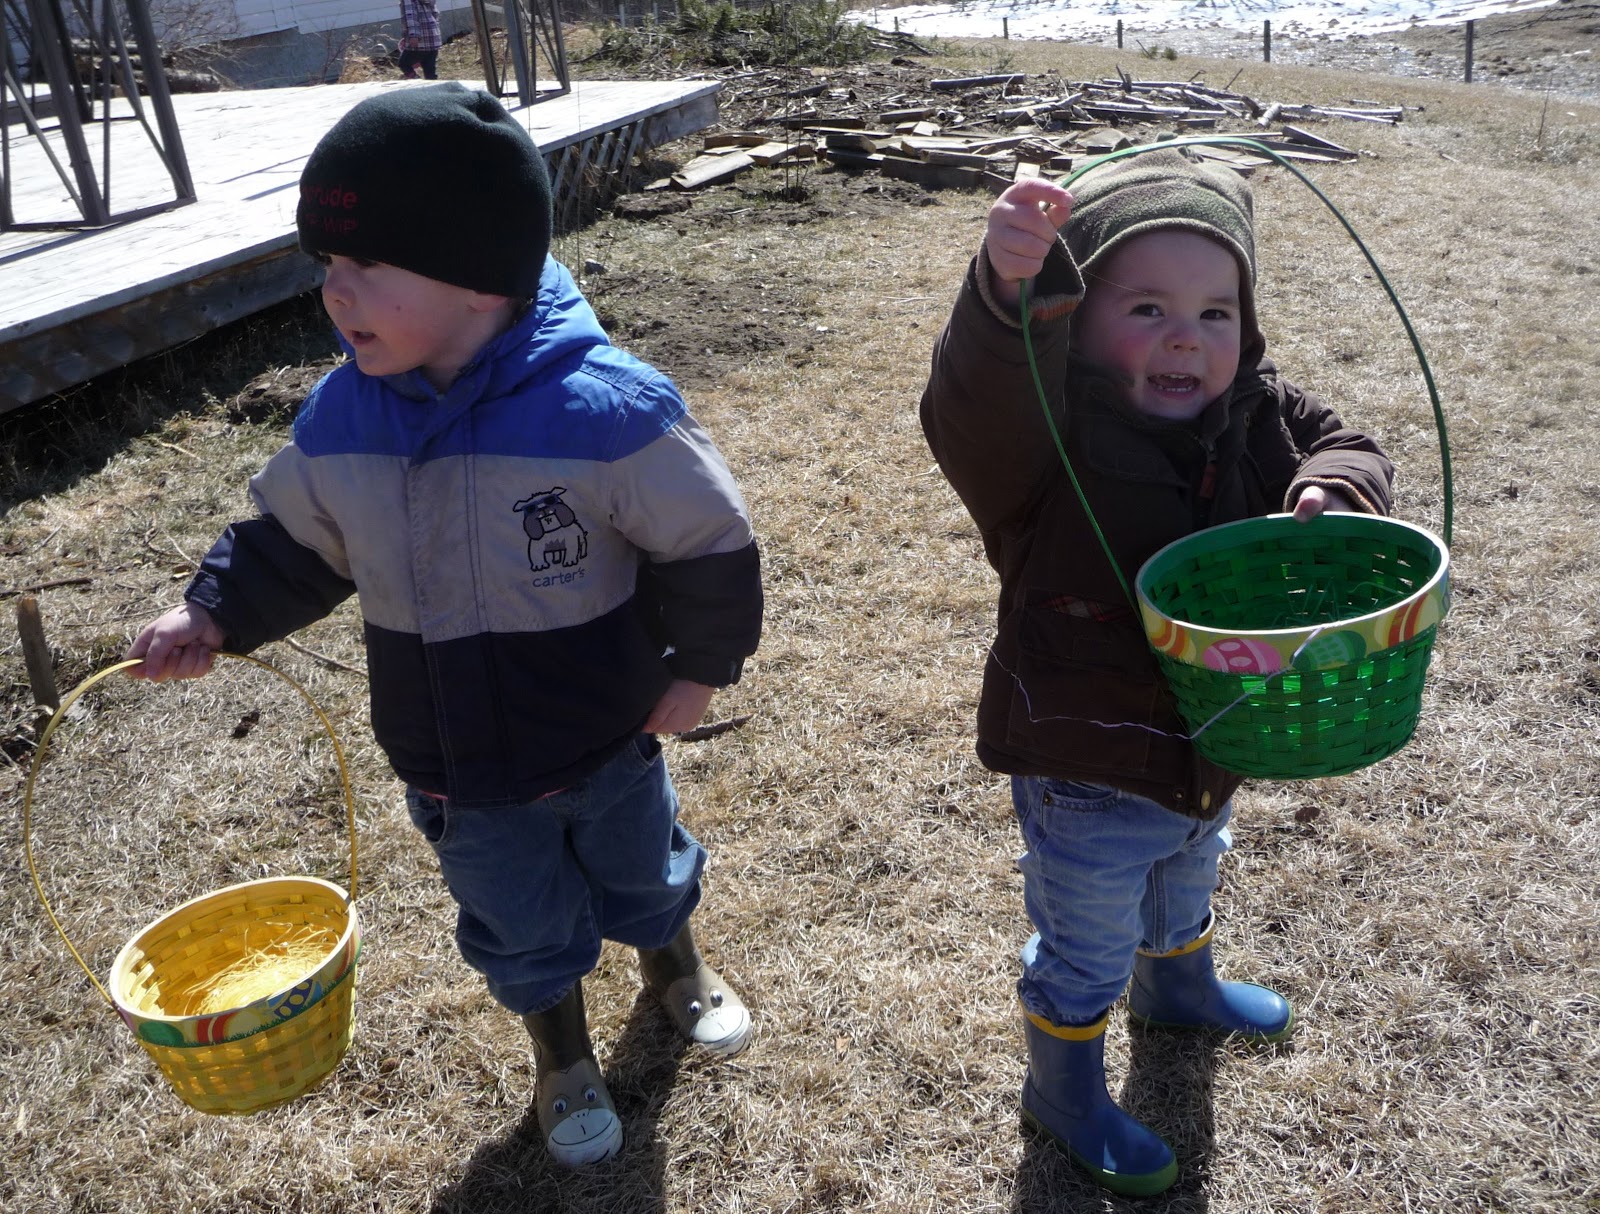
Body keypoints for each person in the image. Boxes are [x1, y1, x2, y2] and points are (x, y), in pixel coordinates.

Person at [126, 84, 762, 1170]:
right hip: (455, 761)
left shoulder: (607, 411)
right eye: (327, 264)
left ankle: (675, 963)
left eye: (366, 265)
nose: (334, 291)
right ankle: (562, 1057)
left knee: (643, 871)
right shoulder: (344, 415)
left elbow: (708, 542)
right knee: (519, 925)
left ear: (478, 280)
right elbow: (294, 540)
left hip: (607, 730)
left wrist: (698, 668)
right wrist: (214, 609)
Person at [919, 145, 1394, 1197]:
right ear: (1074, 318)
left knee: (1189, 866)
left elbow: (1345, 438)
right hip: (1087, 764)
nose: (1187, 336)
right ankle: (1062, 1087)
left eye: (1215, 312)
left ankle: (1177, 985)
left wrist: (1334, 486)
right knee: (1086, 938)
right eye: (1145, 308)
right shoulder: (1038, 441)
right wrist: (1005, 294)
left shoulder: (1254, 410)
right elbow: (972, 399)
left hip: (1211, 737)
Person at [397, 0, 441, 79]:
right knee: (429, 70)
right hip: (433, 38)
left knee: (403, 63)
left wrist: (413, 35)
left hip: (420, 41)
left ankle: (417, 80)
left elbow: (411, 16)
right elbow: (435, 14)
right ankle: (432, 84)